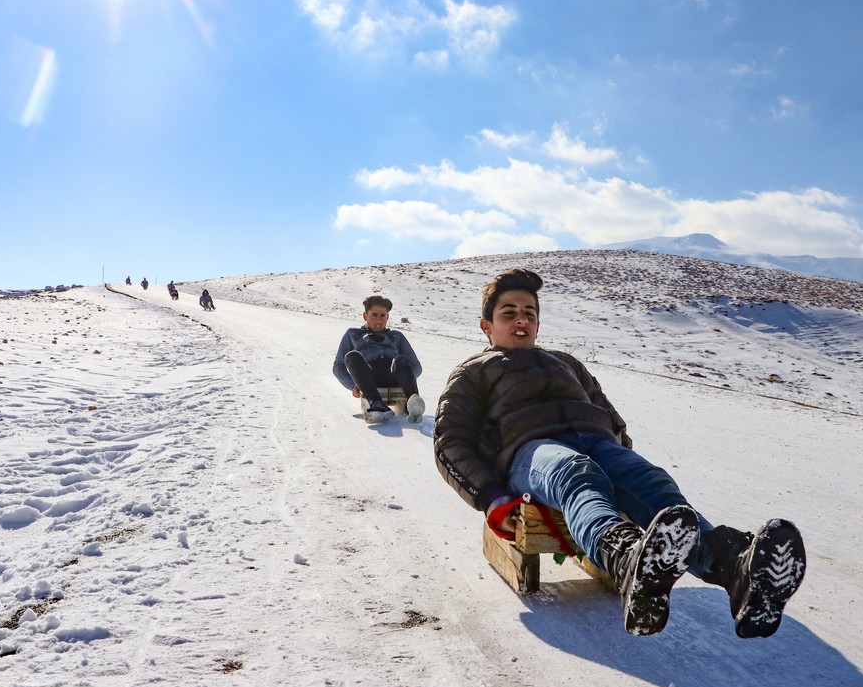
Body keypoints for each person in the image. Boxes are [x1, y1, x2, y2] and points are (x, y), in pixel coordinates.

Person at [433, 268, 806, 638]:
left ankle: (734, 571)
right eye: (509, 312)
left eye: (529, 313)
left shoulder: (566, 362)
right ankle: (626, 560)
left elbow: (611, 419)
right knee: (576, 473)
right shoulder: (473, 372)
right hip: (529, 452)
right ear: (487, 326)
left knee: (650, 481)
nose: (521, 320)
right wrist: (493, 497)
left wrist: (624, 470)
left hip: (598, 442)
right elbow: (449, 441)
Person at [333, 294, 426, 425]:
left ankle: (413, 402)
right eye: (374, 315)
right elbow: (338, 366)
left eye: (383, 315)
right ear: (365, 316)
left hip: (394, 378)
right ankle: (377, 404)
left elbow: (416, 365)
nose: (379, 320)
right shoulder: (353, 334)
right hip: (369, 380)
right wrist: (352, 384)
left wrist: (407, 379)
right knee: (352, 356)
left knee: (401, 360)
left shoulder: (396, 336)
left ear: (387, 317)